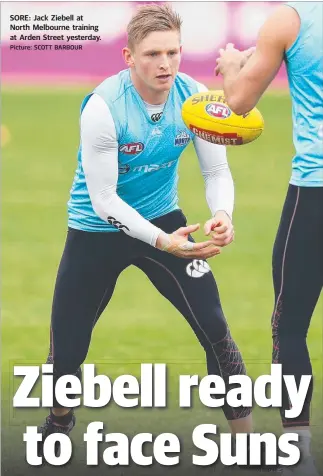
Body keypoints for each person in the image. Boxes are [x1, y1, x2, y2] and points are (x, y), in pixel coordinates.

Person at [38, 3, 255, 455]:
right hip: (97, 232)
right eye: (153, 54)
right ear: (128, 57)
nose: (165, 64)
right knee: (67, 357)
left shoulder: (195, 99)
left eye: (173, 53)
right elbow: (104, 200)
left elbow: (217, 172)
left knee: (216, 327)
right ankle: (59, 421)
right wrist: (164, 243)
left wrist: (224, 215)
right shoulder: (103, 107)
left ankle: (250, 447)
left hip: (165, 220)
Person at [215, 3, 323, 475]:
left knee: (290, 326)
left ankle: (298, 457)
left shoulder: (290, 20)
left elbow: (237, 102)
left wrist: (232, 66)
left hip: (315, 192)